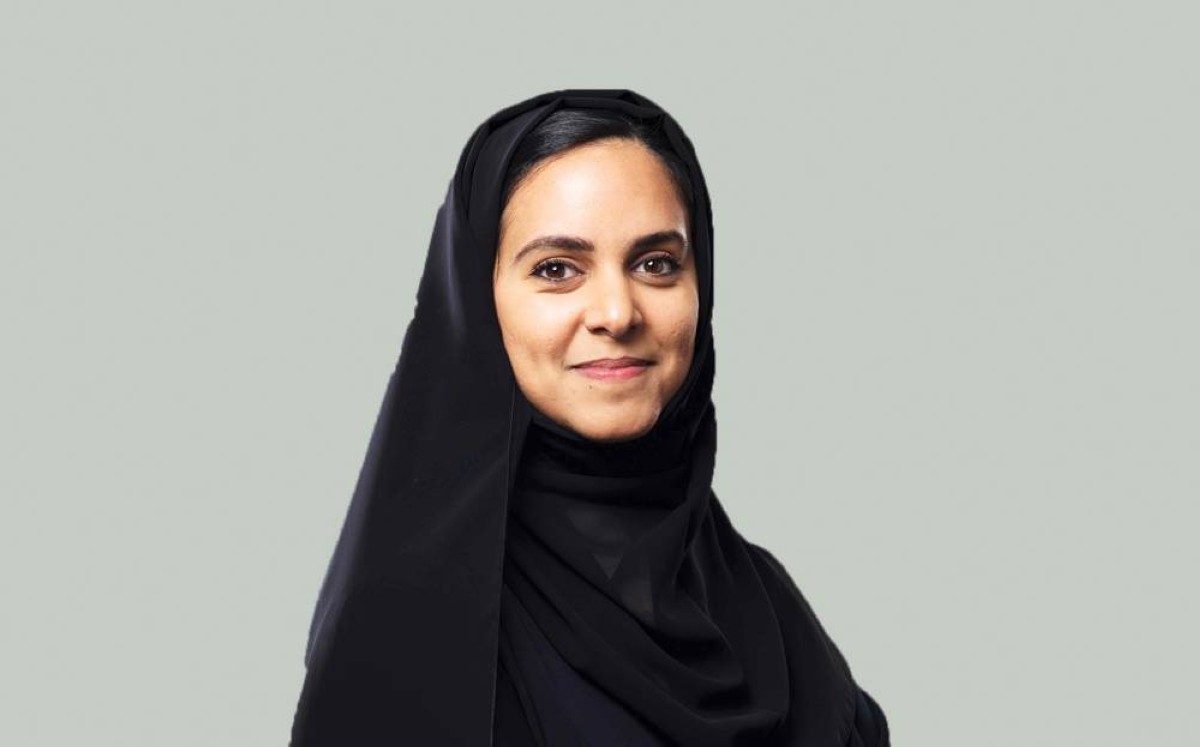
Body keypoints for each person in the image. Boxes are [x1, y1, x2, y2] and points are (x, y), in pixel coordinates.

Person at [289, 89, 890, 746]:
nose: (617, 312)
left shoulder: (765, 607)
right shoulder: (408, 630)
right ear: (478, 300)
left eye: (656, 264)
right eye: (557, 269)